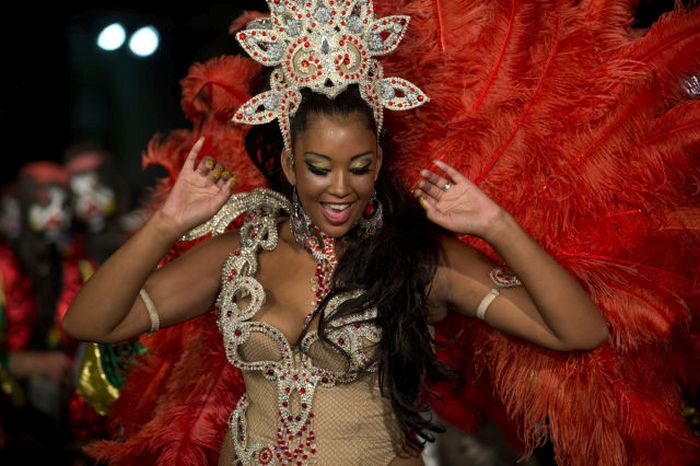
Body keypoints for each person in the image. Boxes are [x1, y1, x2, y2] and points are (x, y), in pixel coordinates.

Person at [63, 3, 610, 465]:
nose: (341, 189)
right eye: (321, 167)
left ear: (379, 164)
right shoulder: (237, 256)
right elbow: (91, 322)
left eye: (360, 165)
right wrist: (165, 226)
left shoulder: (418, 262)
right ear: (290, 162)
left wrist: (497, 225)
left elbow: (578, 331)